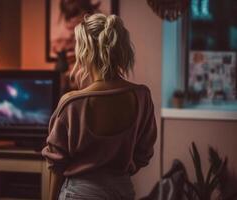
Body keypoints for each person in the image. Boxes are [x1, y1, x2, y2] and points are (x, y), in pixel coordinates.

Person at [42, 13, 157, 200]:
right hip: (123, 189)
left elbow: (56, 164)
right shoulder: (141, 96)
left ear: (85, 52)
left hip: (81, 192)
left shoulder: (72, 103)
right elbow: (144, 153)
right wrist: (115, 175)